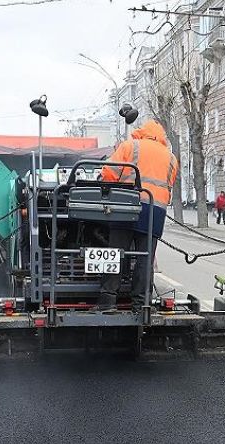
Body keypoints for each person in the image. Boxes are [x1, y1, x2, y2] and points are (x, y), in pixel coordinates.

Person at [95, 120, 179, 311]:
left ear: (142, 132)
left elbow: (109, 174)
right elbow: (169, 185)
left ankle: (108, 301)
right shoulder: (171, 157)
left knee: (115, 253)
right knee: (145, 259)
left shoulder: (130, 146)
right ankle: (141, 303)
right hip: (155, 211)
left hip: (127, 206)